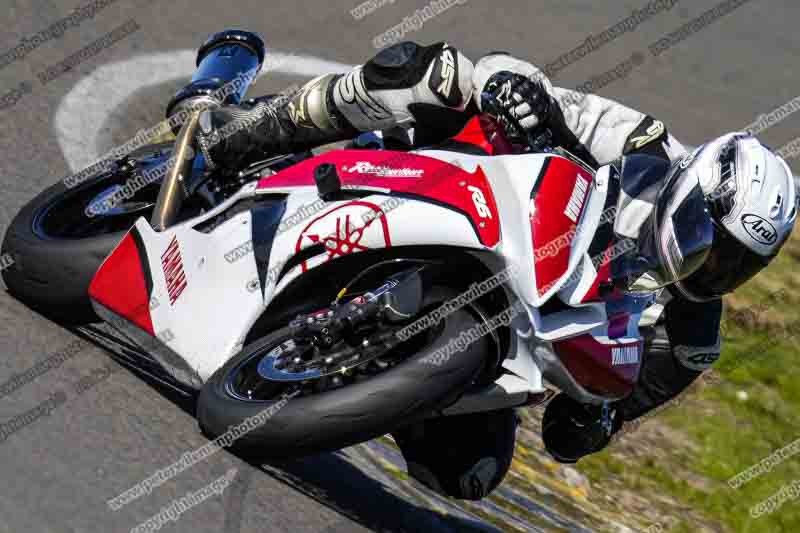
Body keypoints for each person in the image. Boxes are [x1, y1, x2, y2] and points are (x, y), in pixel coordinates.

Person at [196, 41, 798, 499]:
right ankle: (247, 136)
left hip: (500, 338)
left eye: (735, 265)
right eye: (710, 241)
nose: (711, 266)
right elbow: (513, 74)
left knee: (469, 475)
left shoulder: (691, 334)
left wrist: (601, 419)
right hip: (452, 189)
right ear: (690, 189)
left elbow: (589, 423)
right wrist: (520, 99)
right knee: (440, 73)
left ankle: (348, 369)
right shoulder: (643, 146)